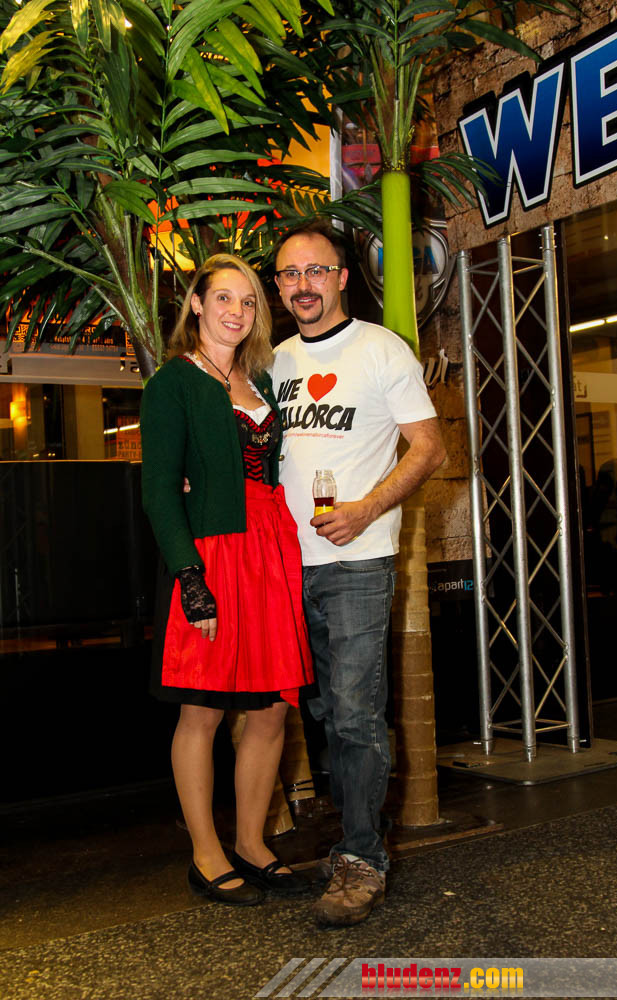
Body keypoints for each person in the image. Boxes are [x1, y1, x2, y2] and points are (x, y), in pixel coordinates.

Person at [272, 221, 446, 926]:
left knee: (354, 713)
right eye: (289, 273)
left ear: (342, 277)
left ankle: (362, 858)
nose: (303, 285)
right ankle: (351, 834)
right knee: (319, 714)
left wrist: (367, 508)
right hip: (282, 567)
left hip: (355, 561)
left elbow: (429, 448)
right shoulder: (274, 359)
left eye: (316, 270)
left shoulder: (380, 348)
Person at [140, 253, 313, 906]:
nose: (236, 311)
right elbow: (159, 489)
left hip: (270, 551)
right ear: (196, 304)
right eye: (223, 298)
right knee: (203, 709)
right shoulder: (172, 383)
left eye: (247, 301)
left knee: (271, 708)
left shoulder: (261, 379)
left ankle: (251, 842)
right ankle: (205, 853)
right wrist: (190, 577)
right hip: (213, 553)